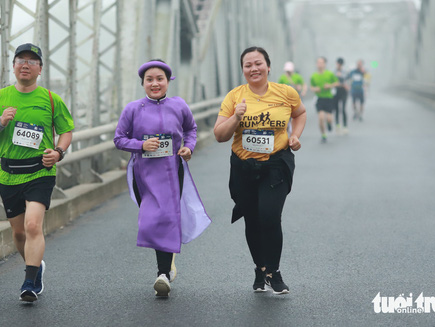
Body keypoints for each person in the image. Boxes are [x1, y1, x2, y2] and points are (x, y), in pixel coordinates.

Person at [0, 43, 74, 302]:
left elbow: (66, 131)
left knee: (33, 225)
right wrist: (1, 122)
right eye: (21, 59)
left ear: (40, 69)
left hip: (40, 170)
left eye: (32, 61)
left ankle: (29, 282)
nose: (26, 64)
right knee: (19, 233)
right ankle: (36, 264)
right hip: (8, 173)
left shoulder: (52, 100)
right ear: (14, 66)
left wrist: (59, 152)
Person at [114, 59, 211, 297]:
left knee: (166, 216)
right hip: (144, 174)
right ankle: (167, 264)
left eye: (160, 79)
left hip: (171, 171)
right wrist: (141, 145)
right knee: (150, 220)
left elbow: (191, 129)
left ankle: (163, 274)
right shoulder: (133, 109)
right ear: (143, 83)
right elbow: (119, 139)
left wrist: (189, 147)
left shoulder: (178, 106)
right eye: (150, 80)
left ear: (168, 81)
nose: (155, 83)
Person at [213, 46, 306, 295]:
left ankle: (274, 272)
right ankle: (260, 267)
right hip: (244, 167)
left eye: (258, 63)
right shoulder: (234, 97)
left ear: (268, 66)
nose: (254, 68)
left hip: (276, 164)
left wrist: (295, 136)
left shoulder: (286, 92)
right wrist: (236, 117)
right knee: (252, 220)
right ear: (243, 70)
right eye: (248, 65)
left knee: (269, 216)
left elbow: (300, 113)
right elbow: (219, 135)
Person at [310, 56, 338, 143]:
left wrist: (329, 86)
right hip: (319, 99)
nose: (320, 64)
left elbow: (337, 83)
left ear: (325, 64)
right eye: (318, 63)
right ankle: (323, 134)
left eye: (321, 63)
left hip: (329, 99)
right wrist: (315, 89)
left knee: (329, 118)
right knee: (321, 118)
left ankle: (329, 124)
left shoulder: (330, 74)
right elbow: (311, 87)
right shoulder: (313, 76)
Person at [333, 57, 349, 134]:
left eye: (340, 64)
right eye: (338, 64)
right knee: (336, 109)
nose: (339, 65)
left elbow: (346, 80)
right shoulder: (333, 72)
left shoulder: (345, 72)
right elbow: (332, 80)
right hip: (336, 91)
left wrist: (340, 76)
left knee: (343, 109)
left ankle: (345, 126)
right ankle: (337, 125)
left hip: (343, 92)